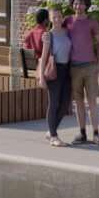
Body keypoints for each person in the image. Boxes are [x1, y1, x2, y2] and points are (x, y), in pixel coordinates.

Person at [24, 8, 70, 146]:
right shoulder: (48, 35)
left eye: (59, 17)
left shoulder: (67, 32)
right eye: (54, 17)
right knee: (54, 103)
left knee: (65, 104)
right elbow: (43, 58)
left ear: (63, 18)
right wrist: (42, 77)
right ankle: (54, 136)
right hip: (54, 70)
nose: (57, 19)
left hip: (67, 71)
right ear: (50, 19)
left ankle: (51, 131)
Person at [63, 0, 99, 144]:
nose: (77, 6)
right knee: (78, 101)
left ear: (86, 5)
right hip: (74, 68)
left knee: (91, 101)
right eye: (75, 3)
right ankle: (82, 133)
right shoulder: (68, 21)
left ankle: (96, 134)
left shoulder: (92, 22)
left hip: (90, 67)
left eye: (80, 3)